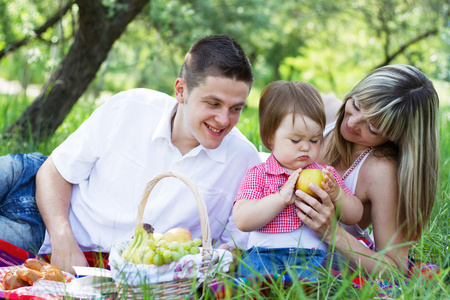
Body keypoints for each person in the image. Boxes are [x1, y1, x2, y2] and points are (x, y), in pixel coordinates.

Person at [1, 34, 262, 273]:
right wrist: (63, 239)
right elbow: (54, 170)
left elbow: (232, 250)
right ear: (181, 91)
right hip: (38, 189)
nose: (224, 119)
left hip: (36, 235)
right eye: (213, 103)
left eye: (236, 108)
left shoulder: (243, 162)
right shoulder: (131, 107)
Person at [294, 64, 439, 276]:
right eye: (358, 104)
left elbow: (395, 267)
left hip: (316, 263)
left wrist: (333, 233)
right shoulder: (323, 111)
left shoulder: (380, 172)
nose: (352, 122)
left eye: (373, 128)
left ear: (395, 136)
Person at [232, 81, 363, 278]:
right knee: (253, 279)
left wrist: (337, 195)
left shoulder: (325, 174)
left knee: (319, 282)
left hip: (312, 256)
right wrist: (280, 198)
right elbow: (242, 220)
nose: (305, 147)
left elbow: (355, 215)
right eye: (295, 140)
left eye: (314, 140)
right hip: (263, 254)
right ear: (269, 138)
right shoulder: (258, 173)